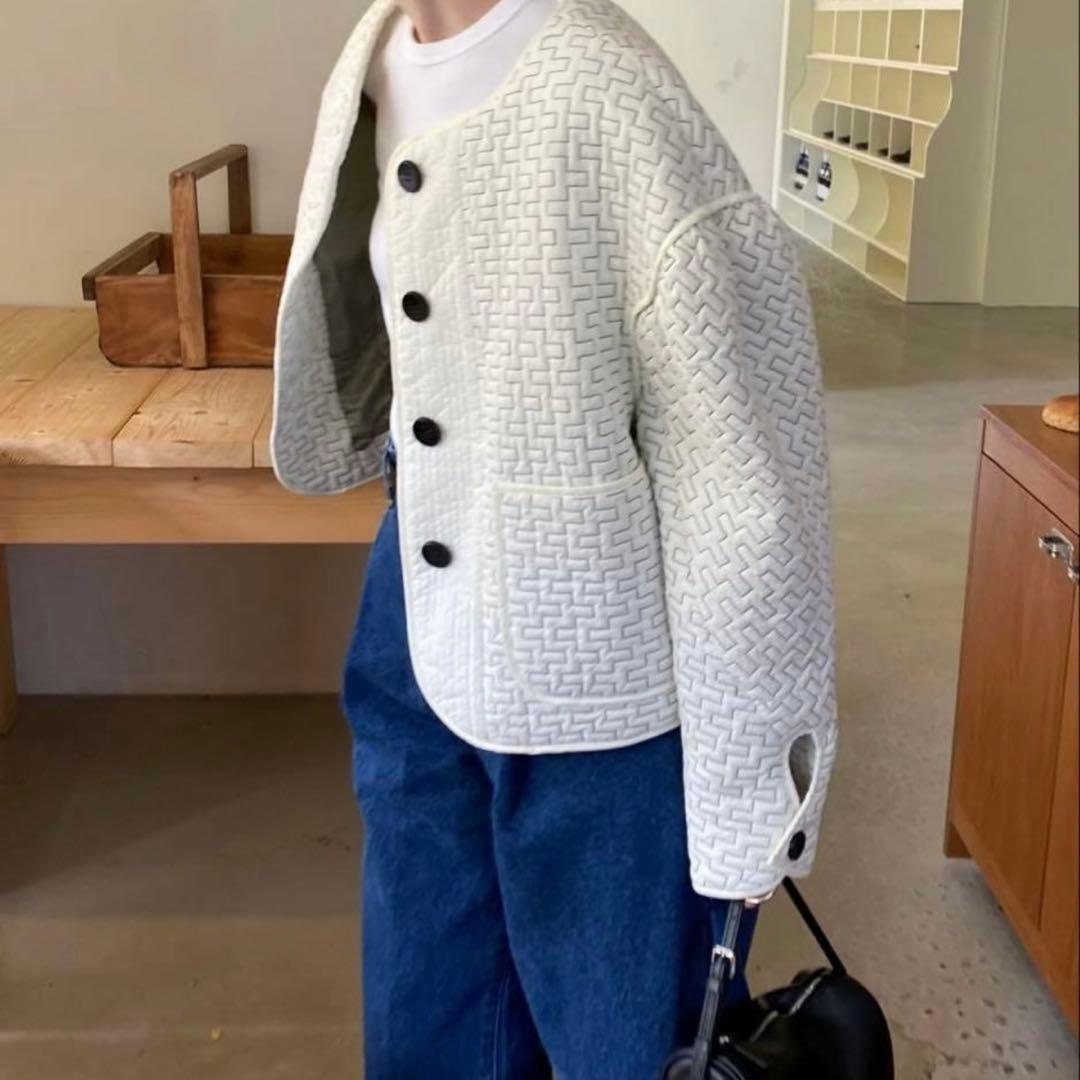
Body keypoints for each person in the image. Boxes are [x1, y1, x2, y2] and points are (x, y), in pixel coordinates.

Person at [269, 0, 839, 1075]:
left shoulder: (606, 88)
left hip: (593, 674)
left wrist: (749, 789)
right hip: (416, 608)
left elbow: (742, 475)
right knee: (427, 1024)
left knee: (618, 1047)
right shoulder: (377, 52)